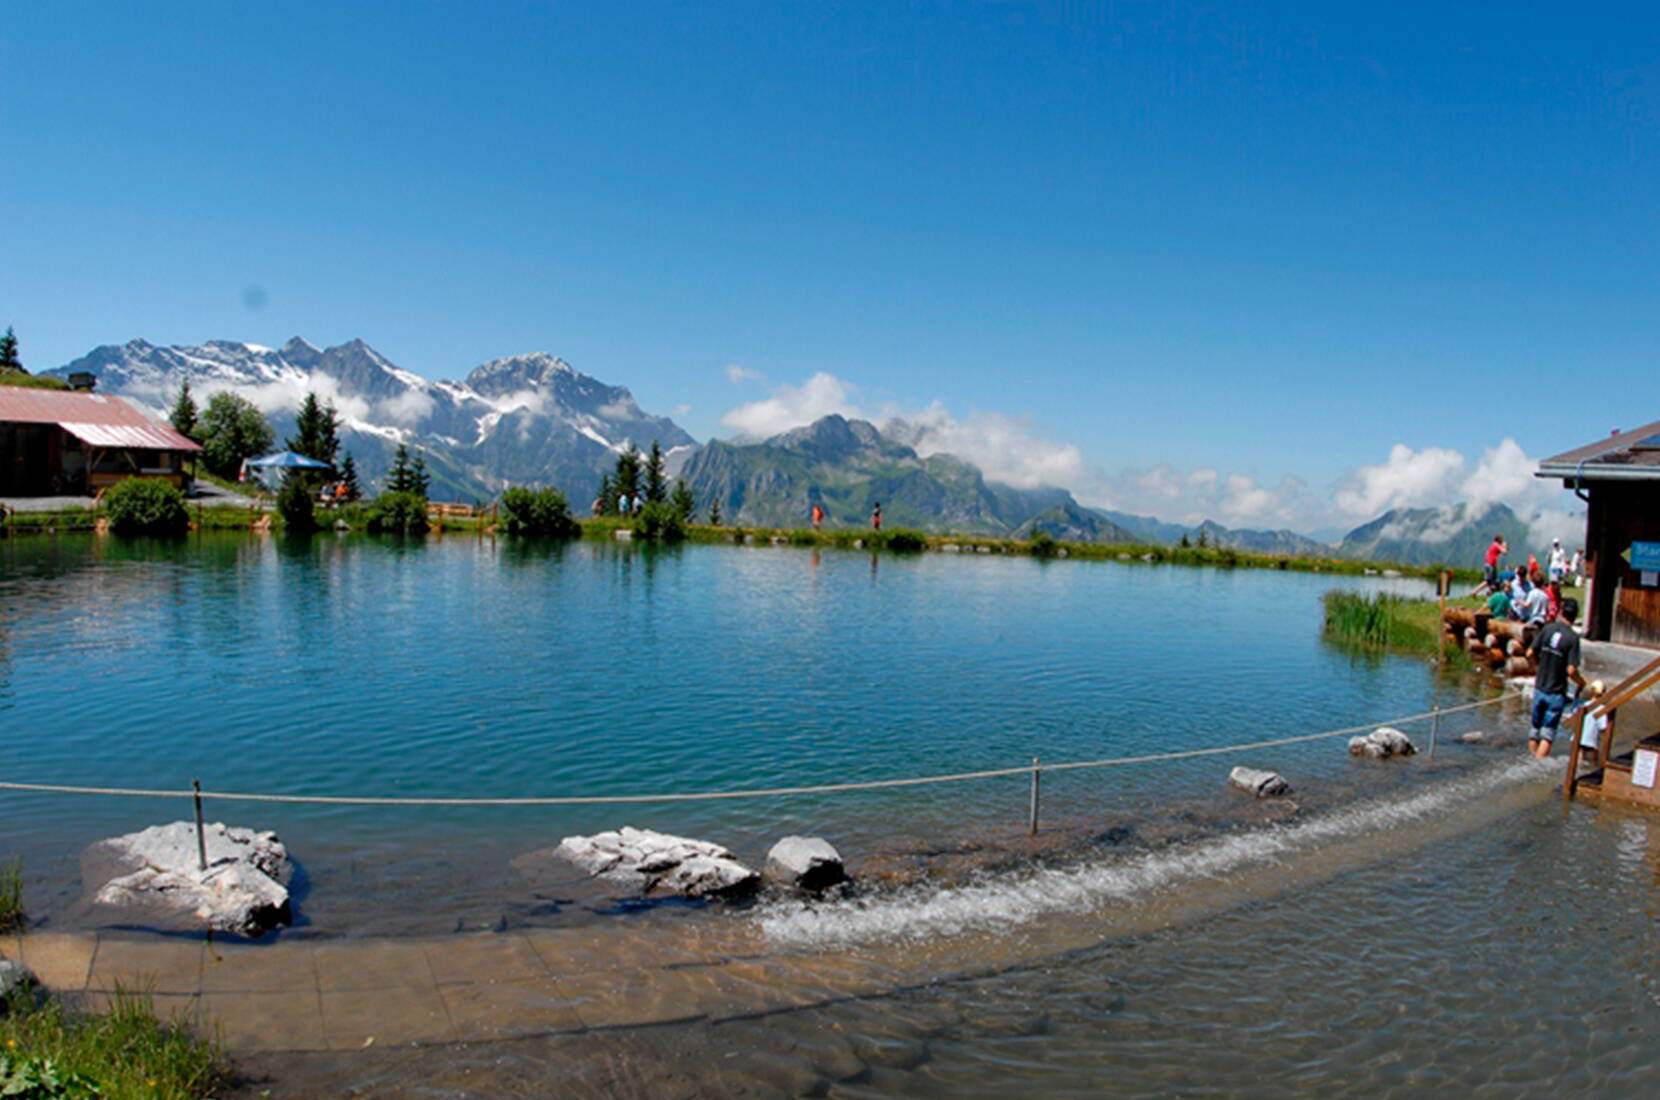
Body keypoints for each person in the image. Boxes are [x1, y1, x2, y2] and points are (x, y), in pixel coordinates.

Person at [1527, 597, 1587, 758]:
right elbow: (1571, 670)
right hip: (1556, 691)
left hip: (1540, 686)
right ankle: (1537, 766)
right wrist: (1581, 683)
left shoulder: (1547, 629)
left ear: (1561, 611)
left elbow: (1530, 653)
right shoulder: (1573, 638)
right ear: (1575, 616)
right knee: (1548, 733)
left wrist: (1537, 667)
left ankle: (1531, 758)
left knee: (1534, 729)